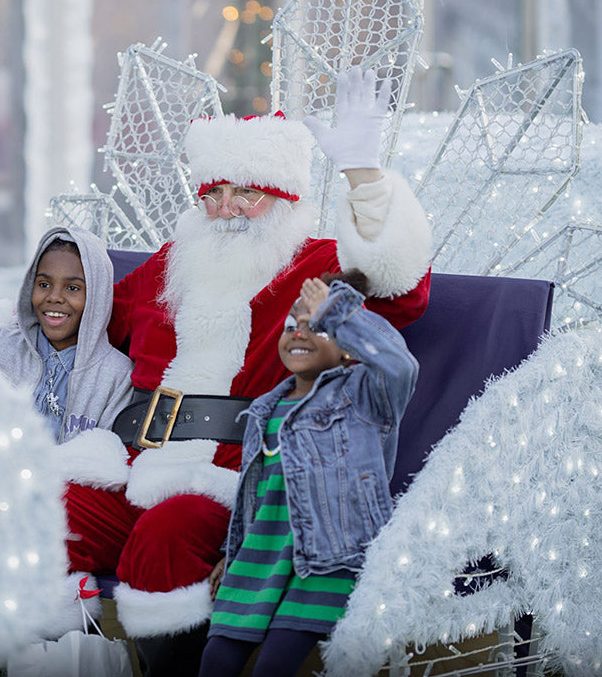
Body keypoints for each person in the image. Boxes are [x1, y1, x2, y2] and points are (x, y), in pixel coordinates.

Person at [61, 67, 433, 675]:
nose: (225, 209)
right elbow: (85, 317)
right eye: (212, 193)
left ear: (284, 198)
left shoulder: (311, 263)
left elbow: (403, 291)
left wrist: (363, 173)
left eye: (246, 193)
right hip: (132, 462)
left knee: (169, 531)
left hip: (231, 481)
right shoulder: (170, 265)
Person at [198, 272, 418, 677]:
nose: (300, 333)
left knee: (273, 667)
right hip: (259, 554)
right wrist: (234, 551)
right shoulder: (264, 409)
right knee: (215, 662)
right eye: (292, 326)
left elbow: (400, 364)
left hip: (329, 559)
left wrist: (337, 313)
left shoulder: (364, 397)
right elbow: (257, 493)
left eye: (316, 326)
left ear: (349, 349)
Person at [0, 216, 134, 444]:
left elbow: (107, 462)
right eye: (43, 284)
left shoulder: (117, 375)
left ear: (96, 297)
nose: (54, 297)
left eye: (73, 288)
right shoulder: (3, 343)